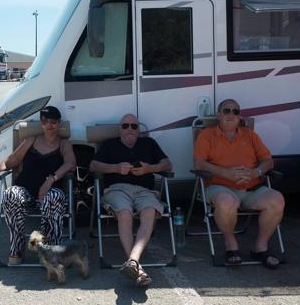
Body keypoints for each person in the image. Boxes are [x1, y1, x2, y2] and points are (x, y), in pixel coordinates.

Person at [193, 99, 284, 268]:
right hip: (219, 187)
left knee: (277, 199)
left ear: (239, 117)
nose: (231, 115)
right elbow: (199, 164)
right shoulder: (207, 135)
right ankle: (231, 244)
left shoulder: (250, 135)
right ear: (218, 115)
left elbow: (267, 161)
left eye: (235, 112)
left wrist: (255, 172)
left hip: (251, 187)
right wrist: (227, 173)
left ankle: (260, 247)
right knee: (228, 202)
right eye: (226, 111)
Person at [0, 106, 76, 265]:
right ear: (41, 123)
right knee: (11, 194)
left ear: (58, 123)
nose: (49, 124)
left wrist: (50, 180)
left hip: (51, 193)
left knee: (53, 197)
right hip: (26, 191)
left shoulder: (64, 144)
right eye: (45, 121)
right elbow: (9, 162)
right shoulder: (30, 141)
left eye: (53, 121)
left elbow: (71, 163)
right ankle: (16, 248)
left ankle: (50, 250)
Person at [89, 114, 172, 287]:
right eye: (125, 126)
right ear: (120, 128)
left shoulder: (149, 144)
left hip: (145, 190)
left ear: (138, 130)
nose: (129, 129)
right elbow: (93, 166)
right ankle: (136, 264)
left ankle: (133, 261)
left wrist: (150, 168)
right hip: (117, 189)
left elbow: (167, 164)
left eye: (134, 126)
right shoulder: (110, 144)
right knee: (125, 214)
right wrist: (116, 168)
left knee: (149, 212)